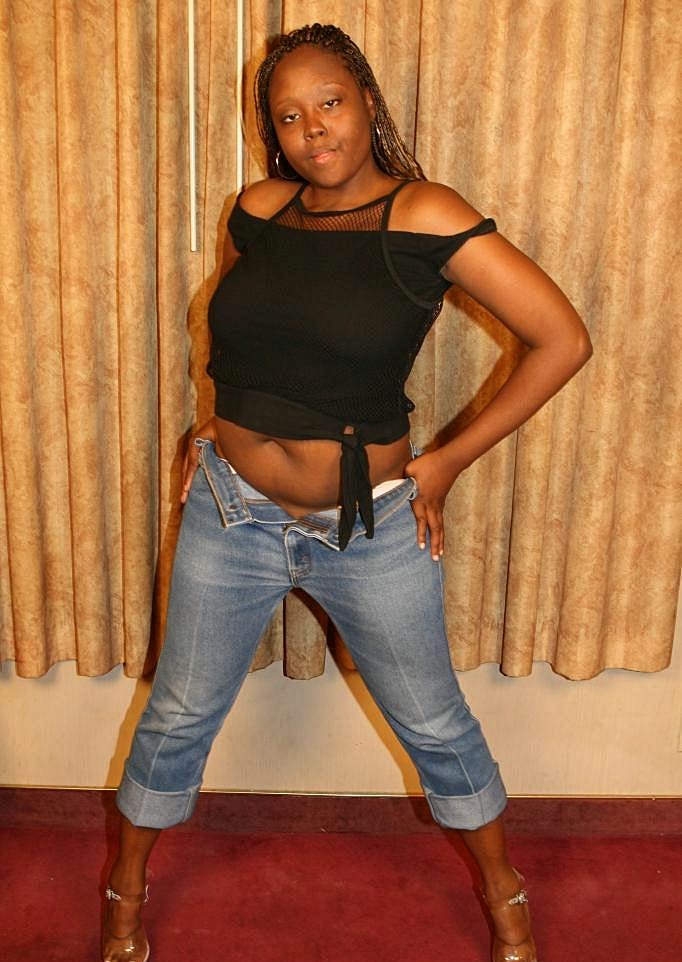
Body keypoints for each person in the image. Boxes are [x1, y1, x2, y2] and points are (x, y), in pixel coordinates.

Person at [102, 23, 591, 962]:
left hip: (368, 525)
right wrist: (214, 421)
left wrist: (445, 462)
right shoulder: (257, 208)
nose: (312, 129)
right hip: (229, 510)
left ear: (367, 100)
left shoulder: (426, 214)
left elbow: (562, 339)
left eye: (329, 103)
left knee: (434, 723)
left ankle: (506, 897)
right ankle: (123, 895)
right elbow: (240, 338)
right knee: (177, 715)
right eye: (289, 116)